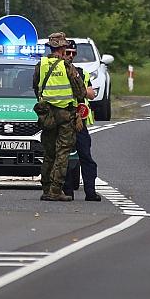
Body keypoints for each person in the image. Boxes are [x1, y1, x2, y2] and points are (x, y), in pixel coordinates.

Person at [32, 32, 86, 201]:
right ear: (63, 48)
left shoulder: (41, 65)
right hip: (65, 115)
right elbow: (81, 92)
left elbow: (36, 88)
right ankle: (55, 190)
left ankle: (46, 189)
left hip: (47, 115)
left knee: (49, 153)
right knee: (62, 152)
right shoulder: (67, 66)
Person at [62, 40, 101, 201]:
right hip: (62, 120)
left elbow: (91, 94)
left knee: (85, 156)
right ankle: (67, 191)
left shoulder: (81, 72)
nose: (71, 56)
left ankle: (90, 192)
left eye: (73, 53)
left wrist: (80, 89)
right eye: (68, 53)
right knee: (64, 157)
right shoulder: (57, 72)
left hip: (79, 121)